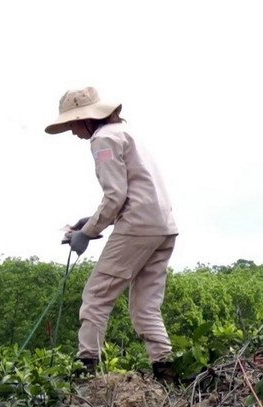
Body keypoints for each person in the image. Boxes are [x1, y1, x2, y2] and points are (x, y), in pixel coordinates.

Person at [45, 87, 178, 383]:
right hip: (164, 226)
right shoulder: (127, 134)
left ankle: (86, 372)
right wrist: (90, 221)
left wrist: (87, 233)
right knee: (145, 307)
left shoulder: (102, 139)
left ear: (86, 119)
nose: (71, 131)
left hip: (137, 225)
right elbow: (133, 189)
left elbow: (115, 195)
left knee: (95, 295)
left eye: (71, 124)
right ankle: (167, 372)